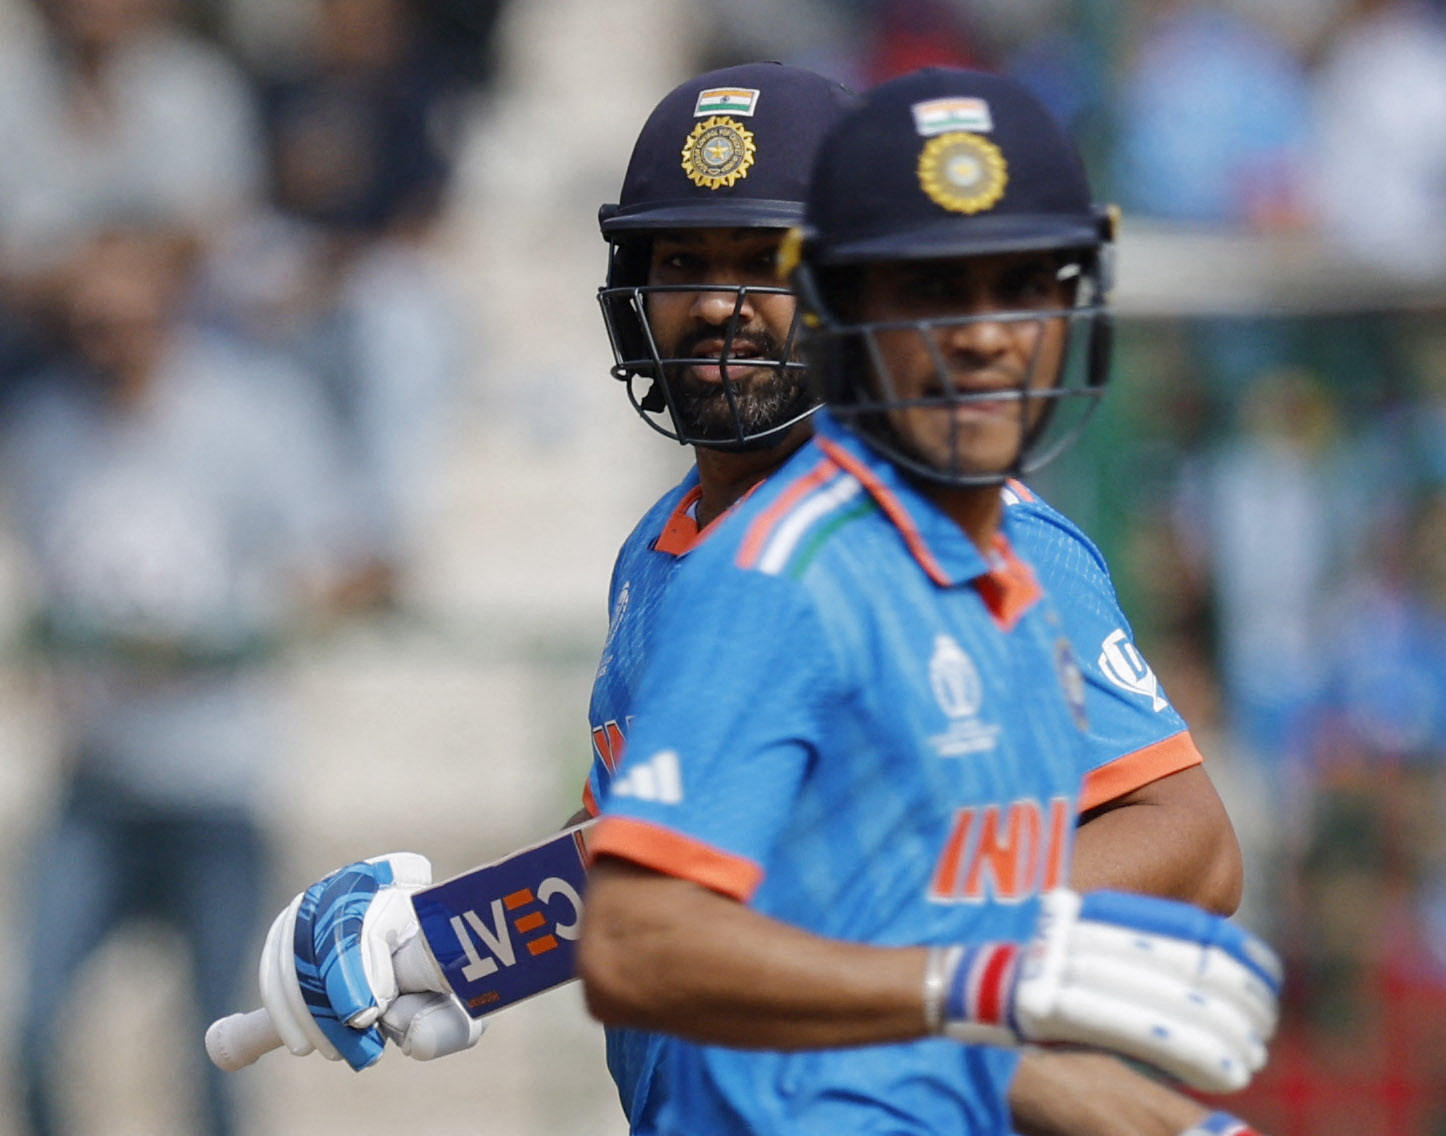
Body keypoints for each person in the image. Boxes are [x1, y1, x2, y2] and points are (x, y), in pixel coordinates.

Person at [243, 64, 1271, 1136]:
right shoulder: (660, 551)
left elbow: (1192, 847)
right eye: (683, 260)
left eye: (764, 264)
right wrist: (449, 943)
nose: (721, 304)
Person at [2, 222, 358, 1136]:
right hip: (96, 783)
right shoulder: (45, 433)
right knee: (33, 1028)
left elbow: (340, 564)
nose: (106, 344)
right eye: (86, 325)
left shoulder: (251, 416)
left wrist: (227, 634)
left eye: (125, 320)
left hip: (216, 790)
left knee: (218, 1056)